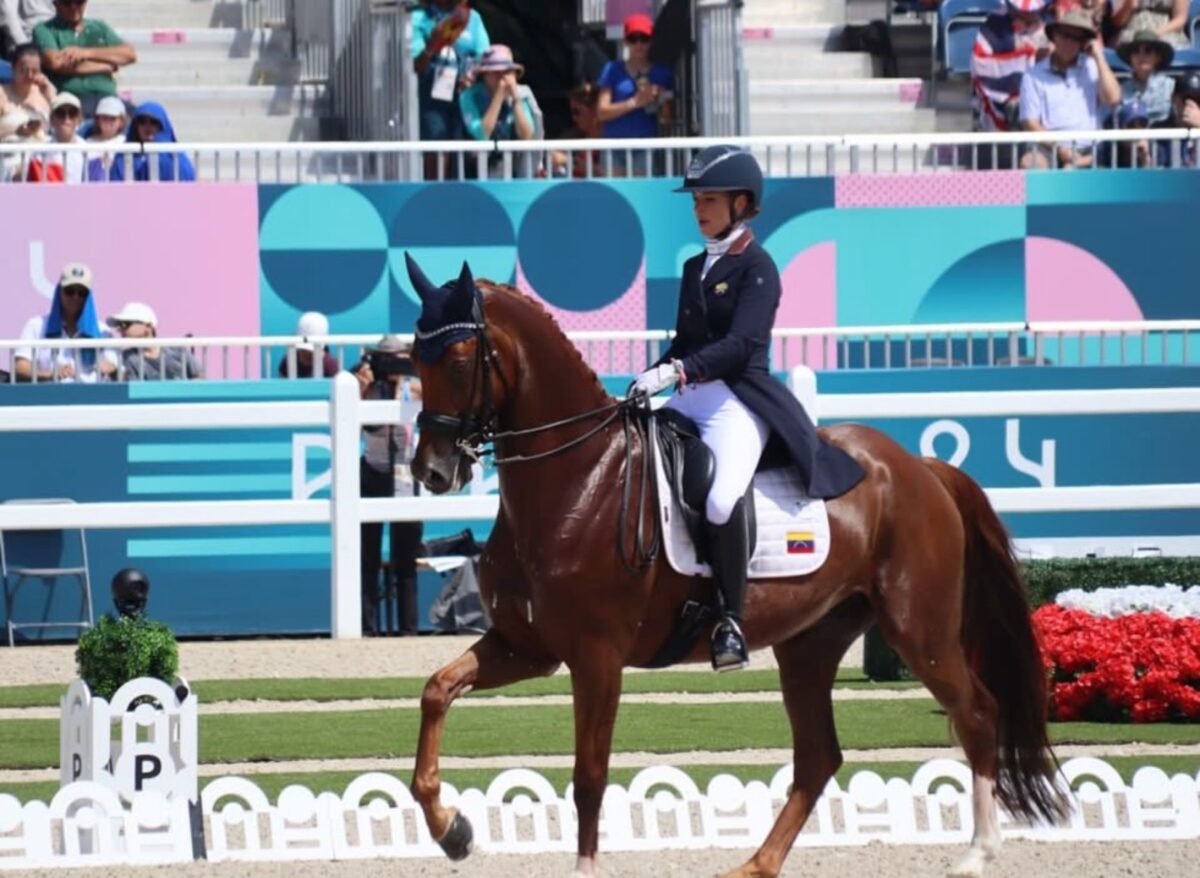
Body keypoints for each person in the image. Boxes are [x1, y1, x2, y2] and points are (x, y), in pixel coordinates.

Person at [627, 146, 865, 672]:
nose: (698, 209)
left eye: (709, 199)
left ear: (741, 203)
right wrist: (655, 372)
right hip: (689, 399)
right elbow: (685, 340)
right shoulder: (695, 267)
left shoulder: (758, 268)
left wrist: (678, 371)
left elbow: (740, 345)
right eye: (696, 200)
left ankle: (729, 620)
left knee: (719, 499)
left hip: (738, 402)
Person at [353, 335, 424, 637]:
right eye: (387, 358)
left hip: (405, 474)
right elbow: (361, 427)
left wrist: (408, 376)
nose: (393, 364)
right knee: (368, 556)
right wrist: (363, 385)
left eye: (399, 357)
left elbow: (434, 397)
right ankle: (367, 627)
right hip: (372, 471)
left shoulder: (414, 386)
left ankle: (408, 629)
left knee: (404, 558)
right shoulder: (365, 388)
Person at [1018, 7, 1121, 169]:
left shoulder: (1093, 67)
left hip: (1089, 146)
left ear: (1083, 43)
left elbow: (1114, 99)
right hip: (1048, 146)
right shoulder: (1033, 75)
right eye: (1065, 36)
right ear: (1055, 36)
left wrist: (1099, 57)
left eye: (1076, 39)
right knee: (1030, 162)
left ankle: (1078, 167)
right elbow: (1030, 123)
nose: (1070, 43)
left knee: (1083, 165)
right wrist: (1060, 149)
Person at [411, 0, 490, 180]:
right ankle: (436, 201)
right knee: (437, 156)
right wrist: (433, 44)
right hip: (433, 101)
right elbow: (415, 67)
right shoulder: (418, 18)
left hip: (467, 97)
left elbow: (484, 58)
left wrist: (471, 75)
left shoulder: (473, 18)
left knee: (469, 156)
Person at [595, 12, 675, 175]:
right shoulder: (612, 69)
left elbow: (667, 120)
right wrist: (635, 102)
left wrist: (661, 100)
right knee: (615, 196)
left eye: (643, 39)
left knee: (642, 195)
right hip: (613, 145)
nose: (639, 44)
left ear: (651, 41)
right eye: (633, 39)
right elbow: (602, 112)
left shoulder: (663, 74)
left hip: (645, 145)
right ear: (625, 41)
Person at [13, 261, 118, 382]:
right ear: (59, 291)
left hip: (92, 398)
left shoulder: (103, 331)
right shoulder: (36, 325)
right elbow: (20, 367)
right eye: (69, 291)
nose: (75, 297)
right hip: (50, 397)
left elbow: (118, 369)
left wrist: (112, 368)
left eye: (82, 293)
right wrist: (50, 374)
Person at [32, 0, 136, 117]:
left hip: (108, 98)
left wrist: (86, 53)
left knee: (146, 118)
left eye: (79, 2)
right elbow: (55, 63)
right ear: (55, 4)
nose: (73, 7)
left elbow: (129, 54)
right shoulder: (45, 29)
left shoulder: (99, 27)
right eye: (67, 3)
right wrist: (105, 66)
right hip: (71, 101)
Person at [458, 44, 541, 176]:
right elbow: (481, 134)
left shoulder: (521, 94)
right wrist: (498, 97)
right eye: (497, 73)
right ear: (485, 75)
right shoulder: (469, 97)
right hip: (478, 172)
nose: (504, 79)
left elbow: (527, 136)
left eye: (508, 72)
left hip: (513, 171)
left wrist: (516, 99)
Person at [970, 0, 1050, 134]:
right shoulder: (995, 25)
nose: (1029, 13)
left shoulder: (1050, 25)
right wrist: (1028, 58)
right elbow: (981, 64)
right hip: (1004, 99)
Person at [107, 302, 203, 381]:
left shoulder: (178, 349)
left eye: (126, 324)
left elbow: (199, 377)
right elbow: (132, 390)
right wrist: (115, 374)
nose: (121, 330)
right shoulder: (126, 358)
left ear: (148, 327)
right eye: (119, 326)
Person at [25, 90, 102, 181]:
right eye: (60, 113)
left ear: (79, 119)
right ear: (52, 119)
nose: (66, 119)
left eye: (72, 113)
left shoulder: (91, 153)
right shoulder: (39, 155)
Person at [109, 102, 195, 182]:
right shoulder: (124, 156)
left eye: (153, 122)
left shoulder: (175, 156)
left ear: (162, 125)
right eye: (142, 121)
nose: (148, 126)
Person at [1117, 29, 1175, 124]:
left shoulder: (1171, 86)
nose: (1141, 55)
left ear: (1158, 57)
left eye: (1147, 50)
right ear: (1130, 58)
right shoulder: (1121, 89)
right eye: (1136, 51)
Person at [0, 43, 56, 119]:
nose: (29, 76)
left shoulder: (47, 91)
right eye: (24, 70)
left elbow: (62, 121)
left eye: (35, 71)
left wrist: (50, 98)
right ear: (13, 68)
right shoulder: (1, 94)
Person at [278, 310, 339, 378]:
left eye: (311, 351)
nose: (307, 353)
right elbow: (280, 386)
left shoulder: (330, 366)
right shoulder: (288, 360)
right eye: (304, 349)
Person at [1111, 0, 1189, 47]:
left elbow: (1180, 20)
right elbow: (1118, 22)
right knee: (1128, 43)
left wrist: (1154, 34)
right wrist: (1129, 6)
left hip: (1165, 32)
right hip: (1132, 32)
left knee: (1162, 45)